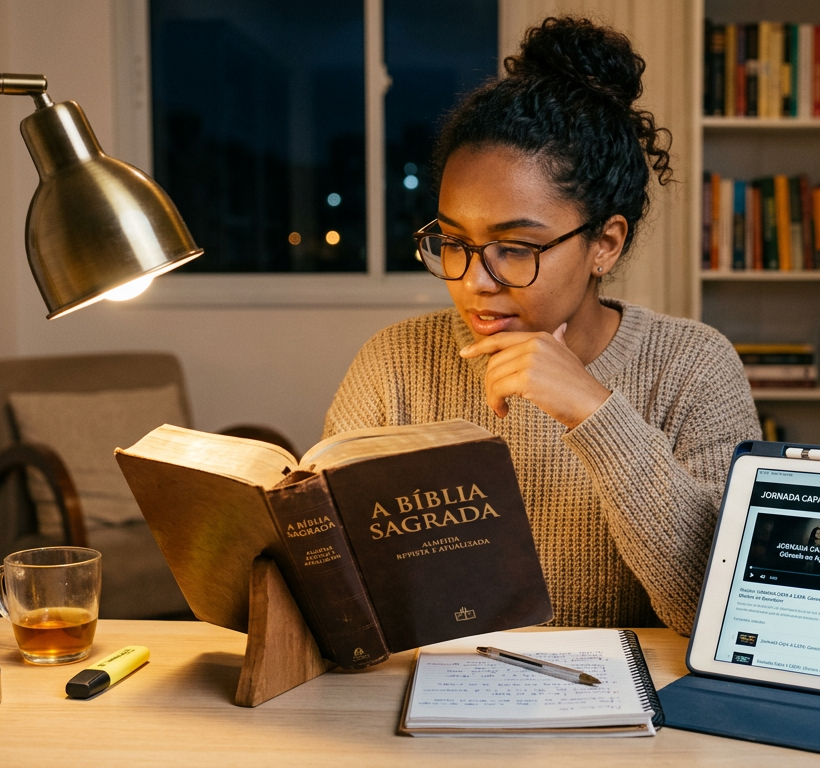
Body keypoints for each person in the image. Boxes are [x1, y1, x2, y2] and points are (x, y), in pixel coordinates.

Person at [324, 16, 759, 635]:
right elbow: (343, 600)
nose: (474, 280)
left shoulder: (693, 366)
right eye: (453, 241)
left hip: (625, 716)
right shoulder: (395, 365)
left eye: (516, 247)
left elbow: (715, 614)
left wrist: (593, 411)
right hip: (426, 706)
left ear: (604, 244)